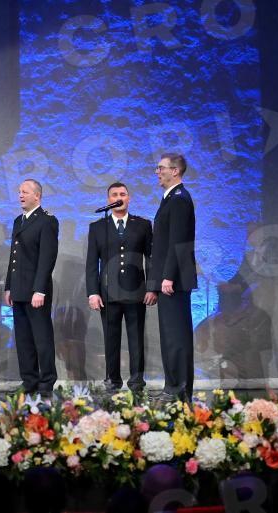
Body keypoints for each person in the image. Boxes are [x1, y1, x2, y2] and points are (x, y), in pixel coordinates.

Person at [85, 182, 156, 394]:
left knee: (136, 339)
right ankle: (112, 381)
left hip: (136, 292)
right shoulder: (98, 227)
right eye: (114, 194)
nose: (119, 197)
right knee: (111, 339)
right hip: (108, 293)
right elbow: (92, 263)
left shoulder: (142, 225)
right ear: (108, 200)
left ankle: (137, 383)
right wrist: (93, 292)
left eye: (123, 194)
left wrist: (152, 287)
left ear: (129, 198)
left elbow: (150, 258)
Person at [147, 154, 197, 402]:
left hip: (174, 282)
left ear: (175, 171)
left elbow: (178, 243)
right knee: (169, 336)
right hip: (167, 281)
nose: (157, 172)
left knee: (177, 337)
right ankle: (172, 386)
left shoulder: (179, 200)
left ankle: (180, 390)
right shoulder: (170, 199)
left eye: (161, 168)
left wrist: (167, 277)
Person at [3, 179, 59, 395]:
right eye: (19, 192)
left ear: (37, 196)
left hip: (36, 291)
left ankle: (47, 382)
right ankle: (29, 381)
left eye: (25, 192)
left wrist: (40, 289)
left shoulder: (47, 221)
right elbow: (14, 256)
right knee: (24, 339)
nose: (20, 195)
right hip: (19, 289)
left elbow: (47, 258)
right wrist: (9, 286)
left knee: (42, 339)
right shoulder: (19, 221)